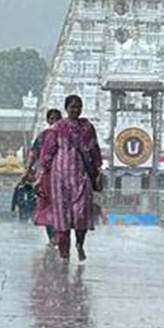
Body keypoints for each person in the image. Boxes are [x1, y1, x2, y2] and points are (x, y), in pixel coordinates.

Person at [35, 94, 102, 262]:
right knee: (62, 217)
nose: (75, 110)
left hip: (81, 176)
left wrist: (98, 169)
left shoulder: (87, 128)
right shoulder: (57, 128)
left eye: (78, 107)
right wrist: (42, 173)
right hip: (60, 179)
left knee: (81, 214)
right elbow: (48, 152)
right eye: (72, 107)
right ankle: (64, 253)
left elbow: (94, 149)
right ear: (66, 108)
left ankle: (79, 243)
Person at [28, 109, 62, 245]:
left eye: (57, 119)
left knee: (60, 207)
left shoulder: (66, 137)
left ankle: (60, 236)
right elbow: (34, 153)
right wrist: (28, 169)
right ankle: (52, 237)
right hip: (45, 176)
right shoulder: (43, 136)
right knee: (46, 206)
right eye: (51, 119)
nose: (54, 121)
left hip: (62, 176)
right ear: (48, 120)